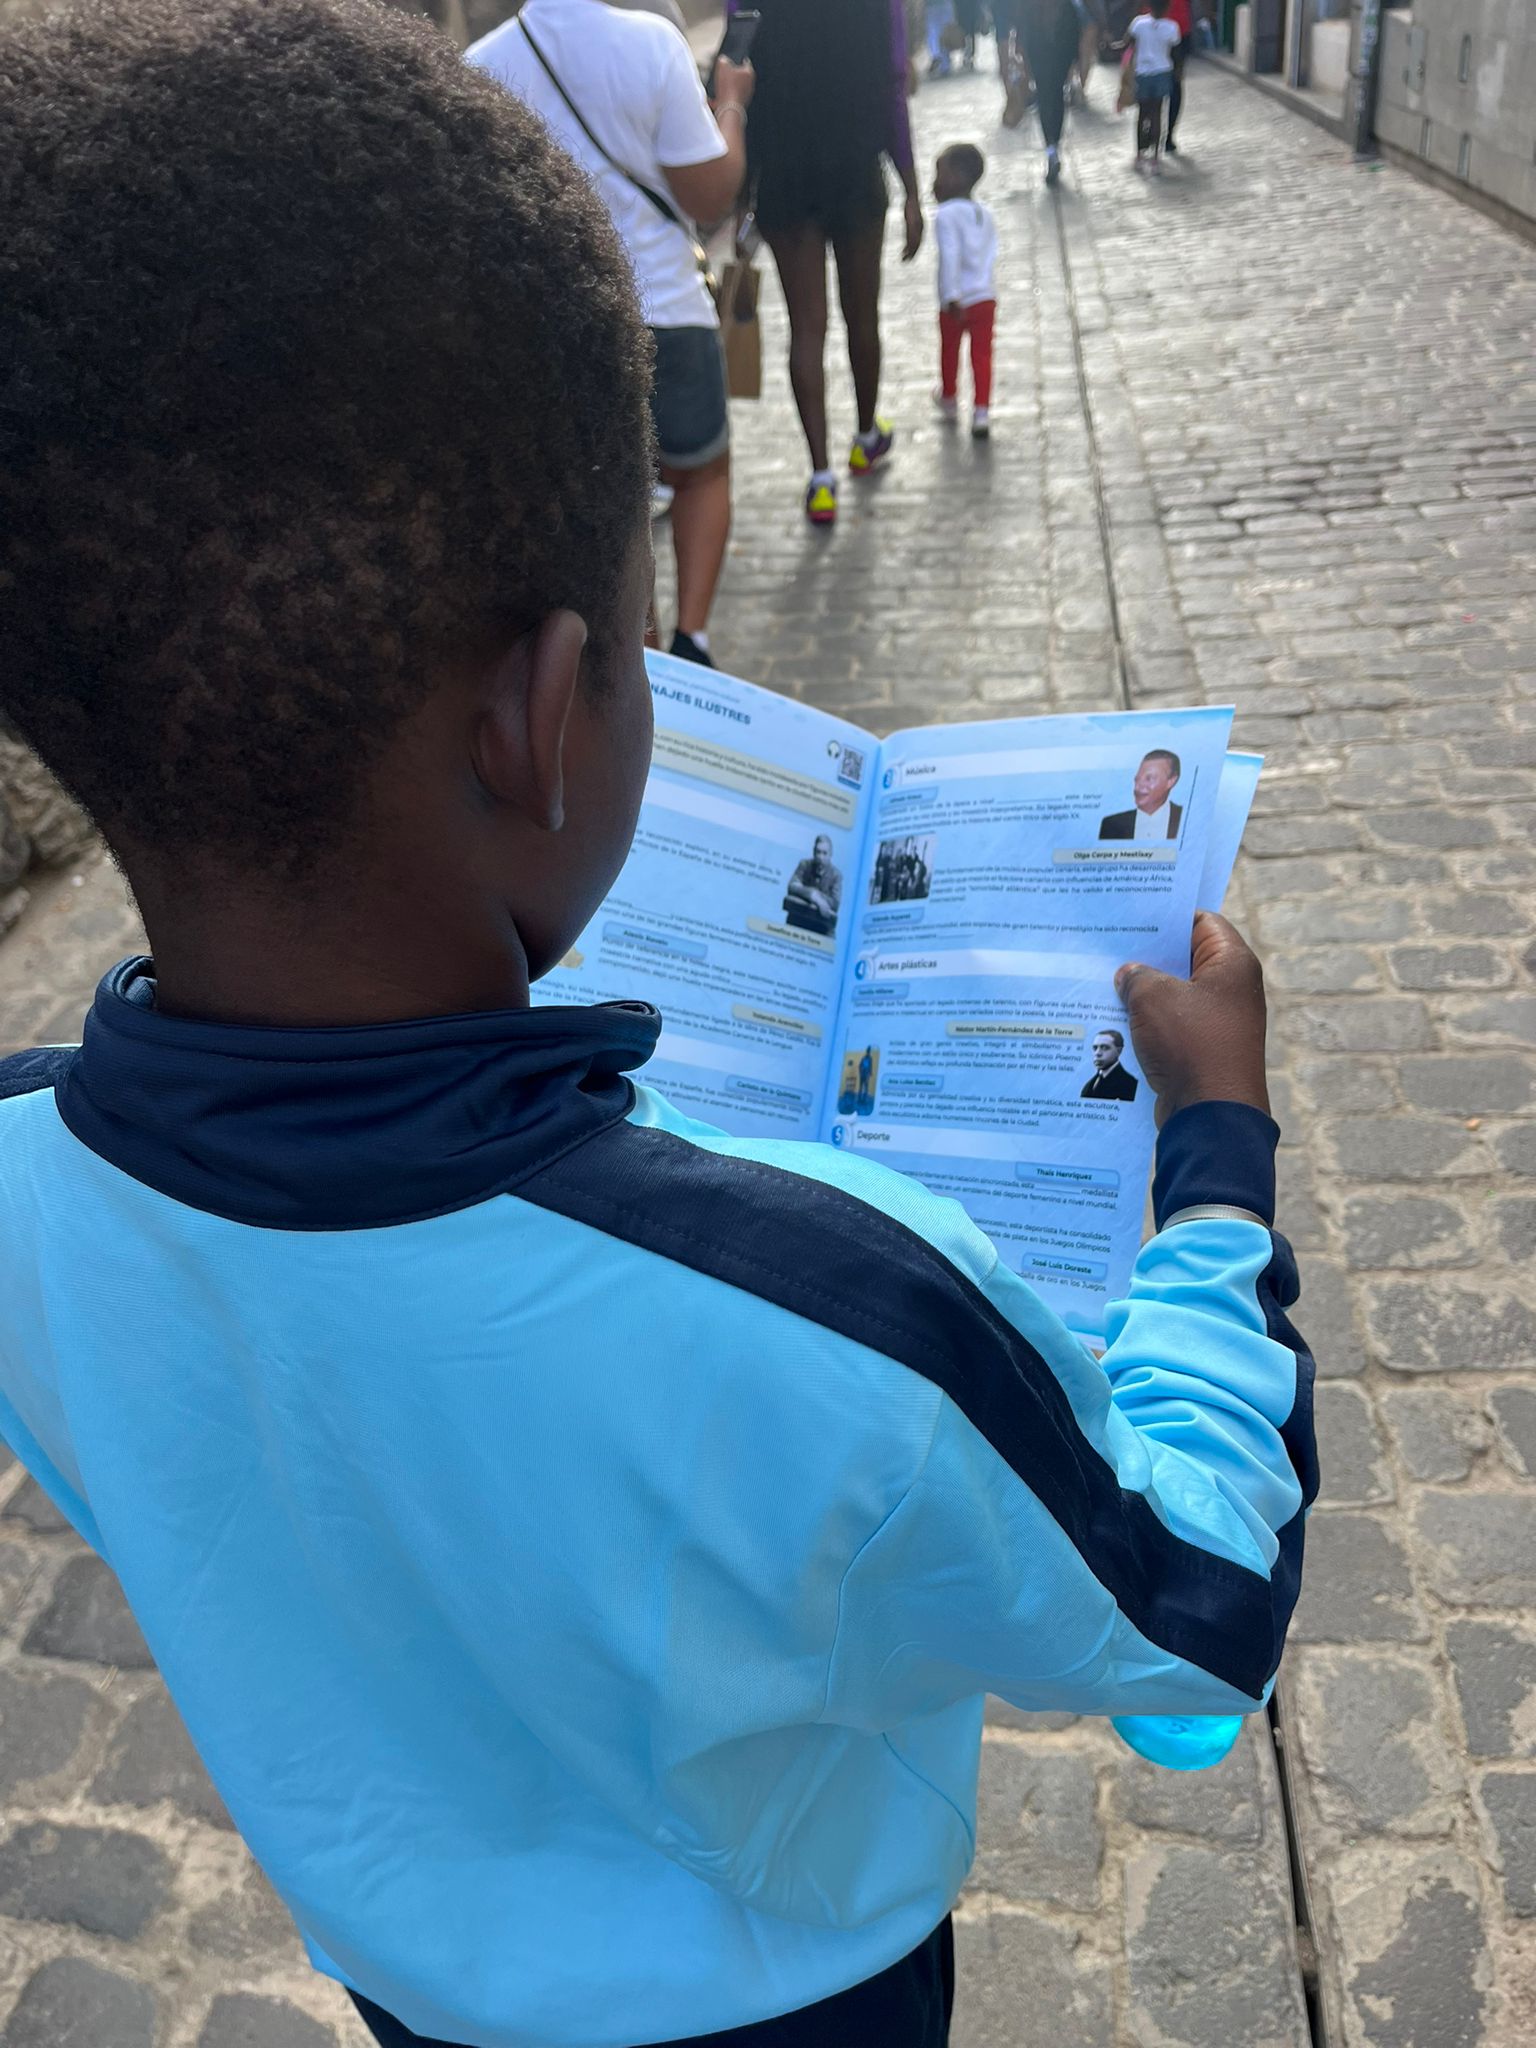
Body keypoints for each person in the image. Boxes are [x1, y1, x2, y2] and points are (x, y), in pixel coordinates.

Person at [0, 6, 1316, 2046]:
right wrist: (1214, 1163)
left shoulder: (17, 1179)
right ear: (543, 718)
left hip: (413, 1987)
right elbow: (1200, 1624)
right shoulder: (851, 1309)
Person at [469, 0, 751, 670]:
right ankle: (692, 641)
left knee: (610, 506)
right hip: (666, 304)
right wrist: (733, 106)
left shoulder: (480, 67)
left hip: (559, 327)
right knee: (701, 474)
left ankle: (637, 661)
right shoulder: (652, 43)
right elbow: (709, 196)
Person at [734, 0, 924, 527]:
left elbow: (736, 82)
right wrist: (910, 188)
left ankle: (820, 478)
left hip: (782, 177)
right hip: (855, 169)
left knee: (806, 330)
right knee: (862, 317)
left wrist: (740, 197)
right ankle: (865, 438)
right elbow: (892, 87)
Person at [932, 143, 997, 441]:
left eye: (940, 174)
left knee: (950, 349)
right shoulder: (985, 214)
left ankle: (949, 397)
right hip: (985, 296)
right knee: (982, 355)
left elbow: (950, 255)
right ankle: (981, 410)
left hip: (957, 299)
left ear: (957, 177)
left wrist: (950, 295)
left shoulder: (945, 214)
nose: (935, 182)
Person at [1019, 0, 1082, 186]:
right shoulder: (1066, 6)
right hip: (1058, 58)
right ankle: (1054, 146)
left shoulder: (1032, 6)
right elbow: (1075, 35)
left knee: (1046, 102)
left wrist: (1025, 63)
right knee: (1056, 100)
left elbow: (1023, 36)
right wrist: (1074, 62)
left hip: (1041, 59)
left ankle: (1051, 147)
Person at [1127, 0, 1180, 171]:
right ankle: (1155, 157)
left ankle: (1138, 154)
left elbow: (1129, 44)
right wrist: (1178, 72)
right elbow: (1175, 52)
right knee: (1157, 113)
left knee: (1142, 114)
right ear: (1167, 7)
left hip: (1142, 73)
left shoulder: (1138, 23)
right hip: (1163, 71)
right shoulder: (1172, 27)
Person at [1099, 749, 1184, 840]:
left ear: (1171, 781)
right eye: (1137, 779)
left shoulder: (1186, 818)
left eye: (1149, 779)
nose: (1138, 787)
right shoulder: (1111, 825)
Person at [783, 833, 843, 934]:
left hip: (821, 928)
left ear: (830, 854)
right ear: (813, 852)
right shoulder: (804, 864)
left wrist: (805, 892)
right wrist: (813, 896)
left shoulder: (836, 875)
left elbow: (835, 904)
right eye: (818, 852)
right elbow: (792, 886)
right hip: (798, 921)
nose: (821, 857)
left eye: (825, 853)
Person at [1165, 0, 1194, 151]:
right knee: (1175, 84)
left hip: (1176, 29)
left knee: (1172, 84)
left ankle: (1164, 133)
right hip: (1179, 29)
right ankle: (1168, 136)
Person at [1081, 1029, 1140, 1101]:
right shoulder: (1089, 1085)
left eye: (1104, 1047)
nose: (1097, 1053)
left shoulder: (1130, 1084)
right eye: (1095, 1048)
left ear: (1119, 1051)